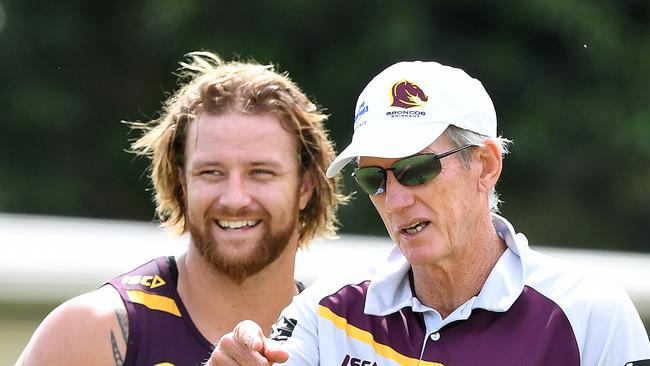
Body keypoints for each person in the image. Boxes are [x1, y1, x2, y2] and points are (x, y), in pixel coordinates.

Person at [208, 60, 650, 365]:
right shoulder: (327, 309)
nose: (396, 200)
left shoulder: (589, 315)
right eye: (374, 180)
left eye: (416, 170)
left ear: (486, 166)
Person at [16, 51, 346, 365]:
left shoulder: (345, 343)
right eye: (211, 172)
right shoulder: (89, 332)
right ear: (182, 183)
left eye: (260, 172)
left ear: (305, 187)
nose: (234, 198)